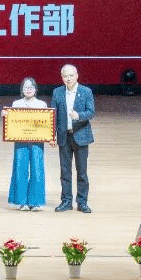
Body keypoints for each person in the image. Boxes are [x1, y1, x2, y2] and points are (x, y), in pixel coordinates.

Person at [51, 63, 95, 213]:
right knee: (65, 172)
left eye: (71, 75)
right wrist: (52, 135)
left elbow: (91, 112)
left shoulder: (86, 91)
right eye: (65, 76)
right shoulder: (57, 92)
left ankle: (82, 202)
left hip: (81, 136)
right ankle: (66, 201)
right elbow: (53, 116)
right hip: (64, 136)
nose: (68, 78)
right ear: (61, 77)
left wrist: (78, 116)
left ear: (77, 76)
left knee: (82, 172)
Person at [4, 77, 47, 211]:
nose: (28, 89)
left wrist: (51, 137)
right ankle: (21, 201)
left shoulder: (42, 104)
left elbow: (47, 124)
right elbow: (12, 123)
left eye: (31, 87)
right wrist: (6, 115)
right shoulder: (16, 104)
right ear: (22, 90)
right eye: (26, 87)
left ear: (35, 89)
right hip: (20, 140)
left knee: (37, 169)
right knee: (20, 169)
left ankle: (35, 202)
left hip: (37, 141)